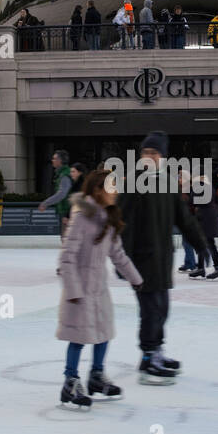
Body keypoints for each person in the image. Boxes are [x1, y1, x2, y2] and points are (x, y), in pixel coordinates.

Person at [118, 131, 205, 383]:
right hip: (139, 259)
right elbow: (120, 220)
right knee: (151, 310)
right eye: (145, 153)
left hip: (162, 258)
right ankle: (148, 359)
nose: (149, 157)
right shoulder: (133, 182)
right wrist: (121, 260)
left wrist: (201, 244)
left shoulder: (167, 182)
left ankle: (156, 350)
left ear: (163, 158)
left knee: (162, 309)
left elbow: (183, 217)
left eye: (154, 153)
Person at [56, 166, 144, 407]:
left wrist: (136, 279)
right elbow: (67, 257)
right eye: (111, 187)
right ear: (97, 190)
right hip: (80, 289)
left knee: (103, 332)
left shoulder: (110, 218)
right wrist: (74, 290)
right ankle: (70, 382)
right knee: (78, 336)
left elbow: (118, 255)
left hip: (99, 288)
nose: (115, 192)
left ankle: (96, 376)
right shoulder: (81, 217)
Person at [188, 185, 218, 279]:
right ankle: (201, 268)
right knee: (204, 243)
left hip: (205, 220)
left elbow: (191, 202)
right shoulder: (209, 188)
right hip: (206, 219)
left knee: (209, 244)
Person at [38, 149, 74, 237]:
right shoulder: (61, 174)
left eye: (54, 158)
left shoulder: (65, 175)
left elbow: (62, 193)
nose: (52, 161)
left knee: (67, 239)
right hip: (66, 210)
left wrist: (46, 203)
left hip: (68, 211)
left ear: (60, 161)